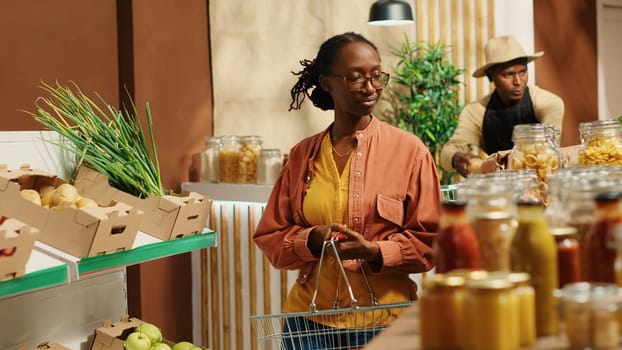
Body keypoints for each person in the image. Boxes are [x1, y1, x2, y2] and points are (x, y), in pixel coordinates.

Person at [253, 32, 441, 349]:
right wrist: (310, 239)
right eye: (356, 78)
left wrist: (375, 252)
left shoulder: (411, 152)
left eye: (377, 76)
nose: (371, 88)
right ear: (327, 83)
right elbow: (271, 237)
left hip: (385, 322)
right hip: (307, 326)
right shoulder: (302, 155)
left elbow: (431, 243)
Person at [440, 35, 565, 177]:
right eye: (508, 74)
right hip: (500, 189)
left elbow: (546, 148)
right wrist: (456, 158)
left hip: (542, 182)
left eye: (523, 72)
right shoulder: (476, 112)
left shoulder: (549, 103)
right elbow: (447, 152)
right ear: (490, 75)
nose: (518, 81)